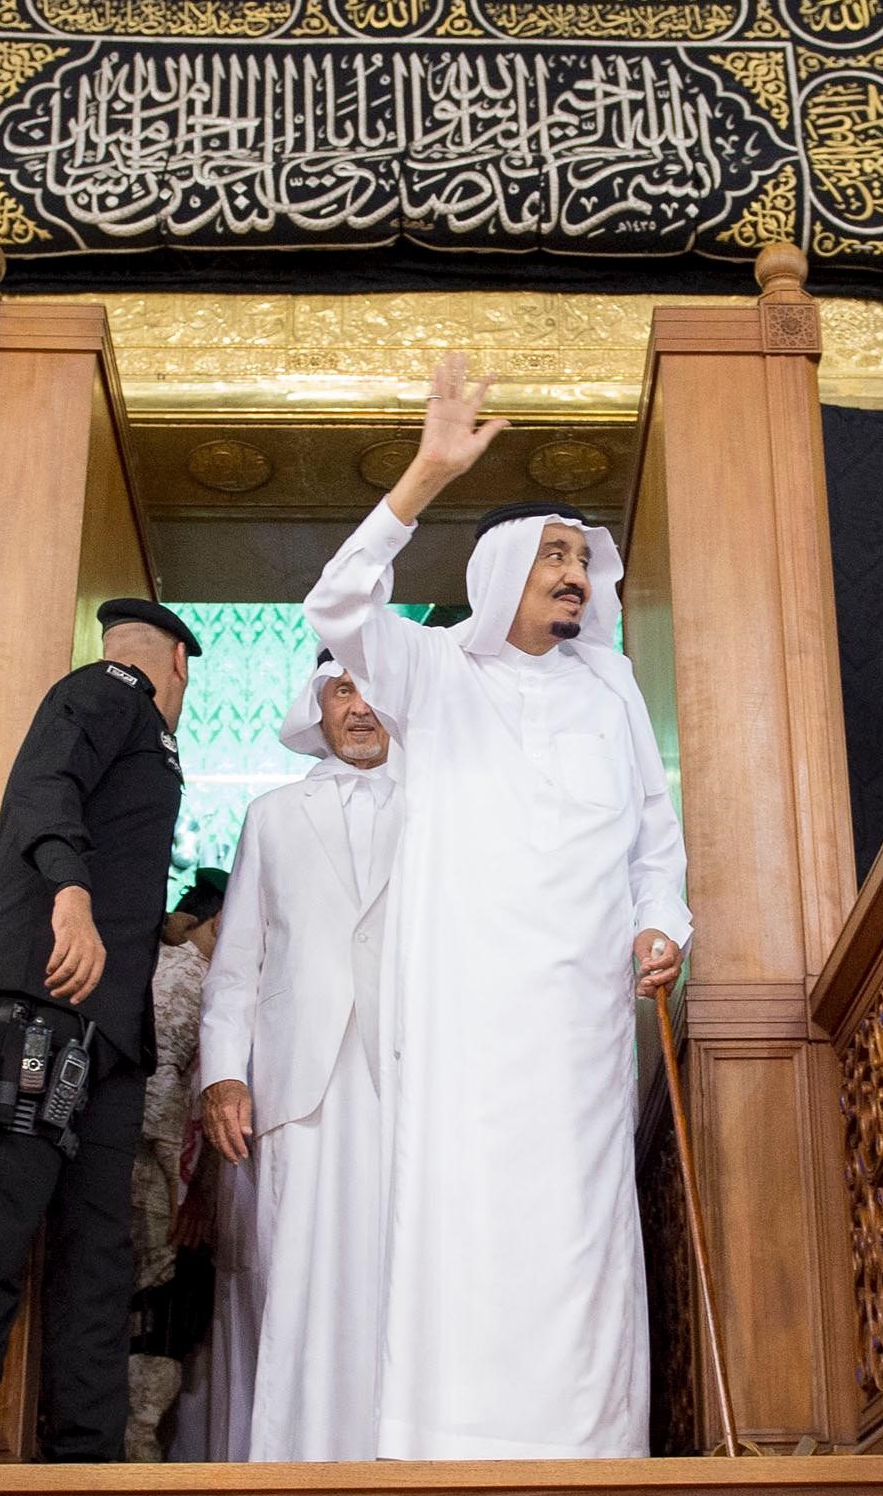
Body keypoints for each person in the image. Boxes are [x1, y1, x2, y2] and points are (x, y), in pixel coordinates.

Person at [305, 353, 689, 1460]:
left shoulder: (610, 689)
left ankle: (589, 1451)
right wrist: (424, 474)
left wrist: (662, 922)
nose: (573, 575)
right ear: (501, 571)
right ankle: (450, 1449)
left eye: (581, 558)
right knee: (468, 1227)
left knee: (575, 1232)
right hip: (467, 1017)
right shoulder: (431, 672)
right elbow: (334, 603)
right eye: (553, 556)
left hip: (575, 1020)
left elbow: (651, 849)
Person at [0, 597, 200, 1465]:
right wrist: (69, 895)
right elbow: (48, 781)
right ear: (178, 665)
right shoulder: (110, 688)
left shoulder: (145, 733)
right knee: (2, 1212)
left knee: (99, 1248)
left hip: (105, 1026)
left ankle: (88, 1456)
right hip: (40, 992)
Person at [197, 654, 400, 1460]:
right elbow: (235, 961)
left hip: (406, 1076)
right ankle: (290, 1463)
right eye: (342, 689)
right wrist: (222, 1073)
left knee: (397, 1280)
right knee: (295, 1283)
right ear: (316, 706)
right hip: (295, 1083)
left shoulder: (440, 807)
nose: (359, 707)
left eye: (373, 688)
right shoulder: (272, 816)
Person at [126, 869, 227, 1461]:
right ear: (220, 924)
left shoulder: (175, 968)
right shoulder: (185, 977)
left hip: (158, 1166)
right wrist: (187, 1189)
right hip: (151, 1171)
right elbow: (158, 1093)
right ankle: (133, 1452)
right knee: (153, 1311)